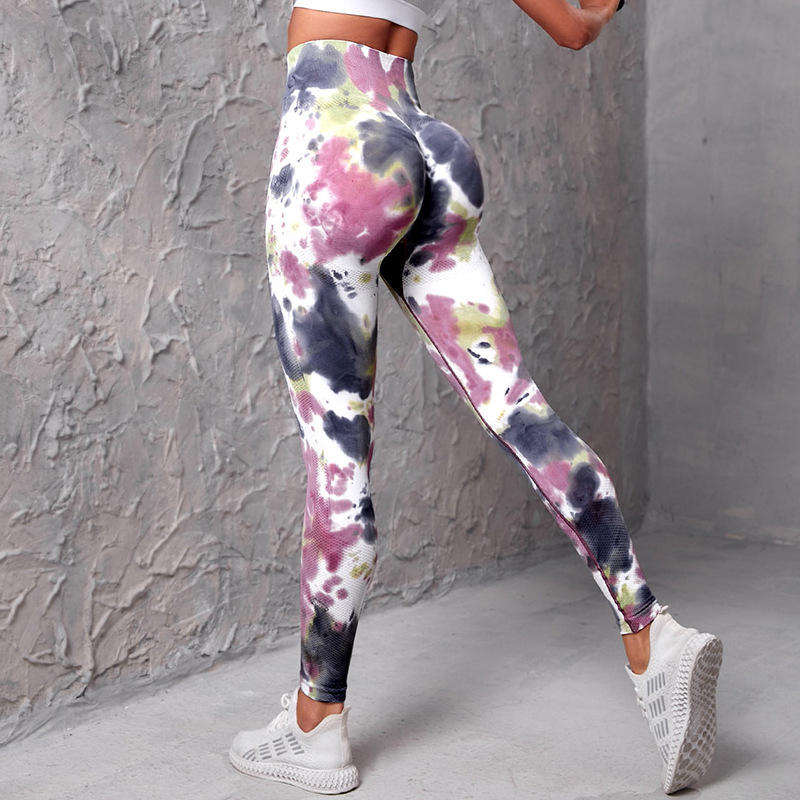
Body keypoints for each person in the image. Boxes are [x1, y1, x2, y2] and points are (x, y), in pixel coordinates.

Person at [228, 1, 723, 794]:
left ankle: (316, 724)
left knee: (337, 459)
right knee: (517, 404)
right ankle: (649, 632)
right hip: (430, 146)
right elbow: (576, 26)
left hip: (336, 144)